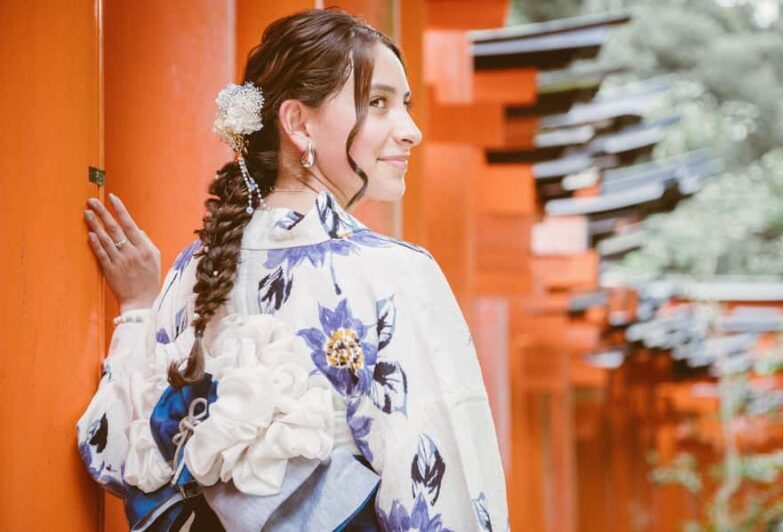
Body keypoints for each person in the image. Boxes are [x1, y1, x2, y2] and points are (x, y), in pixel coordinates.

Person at [77, 7, 509, 531]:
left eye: (405, 105)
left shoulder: (196, 270)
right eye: (378, 104)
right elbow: (438, 492)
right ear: (299, 123)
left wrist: (139, 309)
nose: (411, 131)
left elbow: (111, 452)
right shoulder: (394, 272)